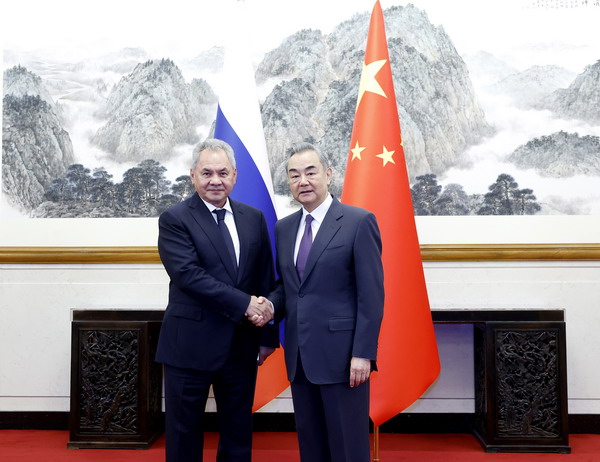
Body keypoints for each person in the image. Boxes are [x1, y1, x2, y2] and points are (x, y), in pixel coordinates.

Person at [155, 138, 276, 462]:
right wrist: (246, 304)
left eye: (222, 173)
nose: (215, 180)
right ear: (193, 175)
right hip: (188, 346)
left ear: (235, 175)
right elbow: (189, 276)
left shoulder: (253, 218)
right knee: (183, 435)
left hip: (241, 346)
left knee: (238, 433)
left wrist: (267, 335)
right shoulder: (175, 218)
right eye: (206, 173)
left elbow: (264, 277)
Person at [266, 142, 384, 462]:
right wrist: (270, 306)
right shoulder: (284, 228)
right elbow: (290, 287)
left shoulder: (358, 222)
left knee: (347, 448)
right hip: (300, 358)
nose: (302, 181)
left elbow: (371, 295)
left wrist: (363, 353)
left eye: (310, 172)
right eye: (294, 175)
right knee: (312, 447)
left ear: (328, 174)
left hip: (343, 359)